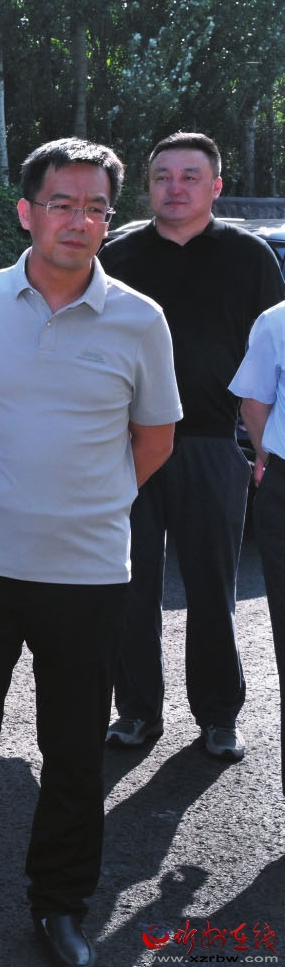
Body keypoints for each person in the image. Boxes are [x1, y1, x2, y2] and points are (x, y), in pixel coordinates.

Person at [0, 138, 179, 967]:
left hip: (88, 573)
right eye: (61, 204)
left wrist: (87, 501)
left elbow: (154, 439)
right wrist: (8, 492)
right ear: (26, 211)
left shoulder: (140, 319)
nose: (78, 221)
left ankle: (60, 906)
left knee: (75, 752)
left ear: (109, 220)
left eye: (95, 208)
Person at [97, 132, 285, 761]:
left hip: (212, 441)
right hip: (126, 444)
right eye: (163, 176)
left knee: (211, 589)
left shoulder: (251, 257)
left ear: (216, 186)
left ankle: (219, 716)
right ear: (148, 186)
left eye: (190, 176)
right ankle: (137, 712)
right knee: (130, 586)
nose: (175, 188)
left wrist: (262, 445)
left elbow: (273, 360)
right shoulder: (117, 254)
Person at [230, 299, 285, 794]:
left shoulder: (276, 319)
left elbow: (255, 402)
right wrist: (266, 456)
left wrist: (266, 456)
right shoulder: (277, 320)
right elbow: (253, 400)